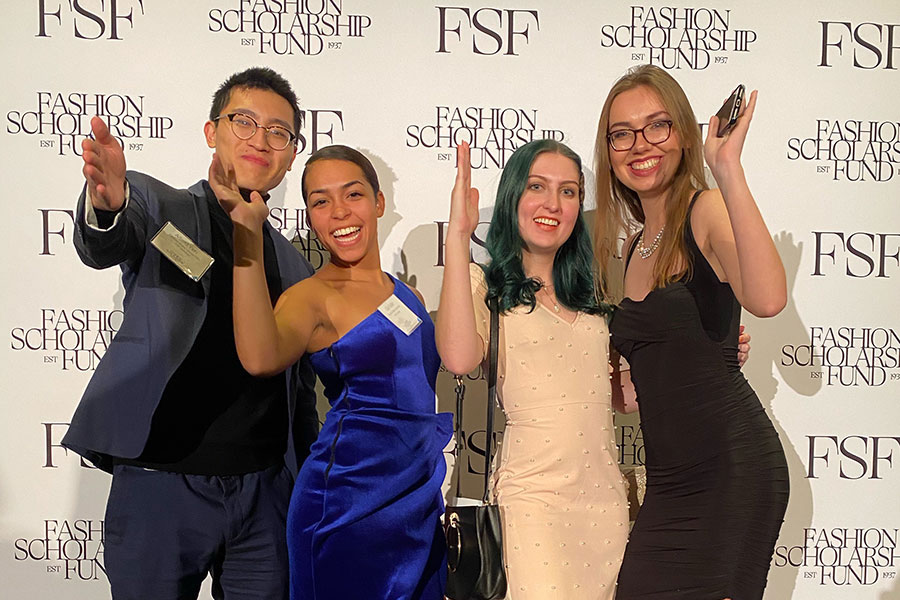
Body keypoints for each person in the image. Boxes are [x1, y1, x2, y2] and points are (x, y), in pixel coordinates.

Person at [62, 67, 319, 599]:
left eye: (279, 132)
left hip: (265, 496)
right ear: (211, 132)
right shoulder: (166, 209)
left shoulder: (293, 262)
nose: (260, 140)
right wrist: (107, 205)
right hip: (161, 485)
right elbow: (109, 237)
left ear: (291, 154)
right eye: (243, 122)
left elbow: (297, 385)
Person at [214, 144, 452, 600]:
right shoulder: (310, 297)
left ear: (379, 203)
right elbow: (260, 358)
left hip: (418, 505)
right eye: (321, 201)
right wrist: (246, 233)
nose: (339, 211)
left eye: (354, 194)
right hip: (345, 505)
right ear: (309, 217)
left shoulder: (411, 298)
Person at [594, 64, 790, 599]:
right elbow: (644, 388)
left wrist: (726, 168)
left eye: (657, 126)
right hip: (669, 485)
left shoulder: (705, 211)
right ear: (607, 151)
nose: (640, 145)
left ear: (682, 133)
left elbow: (768, 299)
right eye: (622, 134)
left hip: (730, 471)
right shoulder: (636, 247)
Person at [436, 139, 630, 599]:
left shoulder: (596, 297)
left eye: (569, 191)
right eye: (537, 186)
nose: (553, 203)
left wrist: (712, 353)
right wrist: (458, 236)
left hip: (603, 504)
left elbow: (624, 397)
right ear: (512, 199)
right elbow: (459, 358)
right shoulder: (485, 285)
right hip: (532, 502)